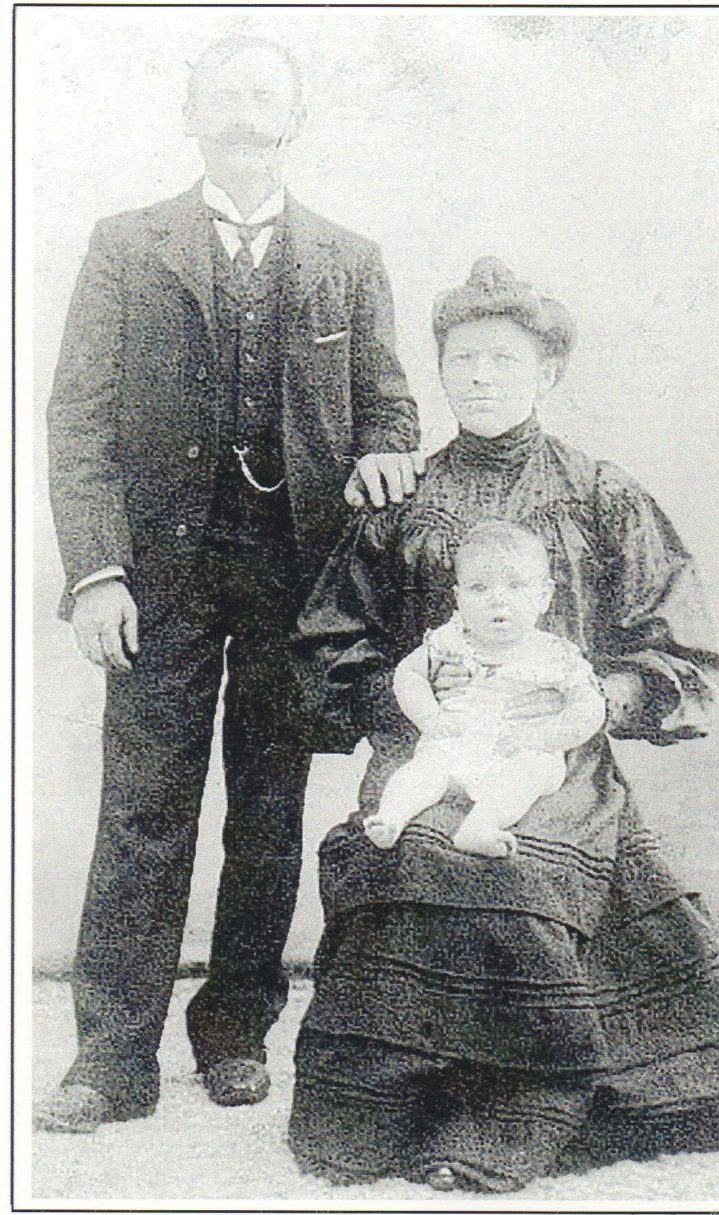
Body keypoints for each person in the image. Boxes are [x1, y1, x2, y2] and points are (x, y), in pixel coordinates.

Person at [38, 34, 421, 1133]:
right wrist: (98, 573)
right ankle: (112, 1057)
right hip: (159, 572)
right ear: (191, 114)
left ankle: (237, 1030)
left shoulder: (347, 255)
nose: (246, 110)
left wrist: (384, 448)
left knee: (267, 805)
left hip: (295, 577)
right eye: (226, 93)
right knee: (143, 807)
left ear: (295, 117)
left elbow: (389, 403)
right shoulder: (127, 244)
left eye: (266, 93)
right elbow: (78, 418)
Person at [288, 257, 719, 1192]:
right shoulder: (401, 498)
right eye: (462, 359)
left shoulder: (601, 492)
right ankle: (401, 1107)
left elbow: (682, 659)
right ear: (440, 370)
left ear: (548, 372)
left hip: (558, 760)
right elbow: (331, 644)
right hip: (433, 744)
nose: (481, 377)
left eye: (504, 359)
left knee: (524, 863)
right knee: (413, 845)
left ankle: (520, 1109)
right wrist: (413, 705)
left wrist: (592, 700)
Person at [364, 521, 606, 856]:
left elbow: (590, 706)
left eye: (516, 586)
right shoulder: (451, 641)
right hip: (455, 740)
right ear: (458, 598)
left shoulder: (557, 653)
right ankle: (391, 816)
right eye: (479, 588)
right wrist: (430, 718)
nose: (498, 600)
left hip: (520, 748)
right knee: (423, 770)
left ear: (544, 596)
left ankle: (480, 827)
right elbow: (409, 674)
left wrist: (546, 737)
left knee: (530, 774)